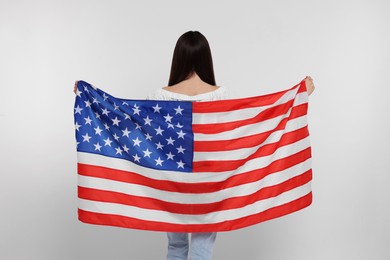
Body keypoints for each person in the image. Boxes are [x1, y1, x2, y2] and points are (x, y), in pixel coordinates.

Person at [74, 30, 315, 260]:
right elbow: (251, 124)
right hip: (211, 182)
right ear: (205, 59)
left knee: (176, 245)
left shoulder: (159, 96)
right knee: (203, 246)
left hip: (171, 182)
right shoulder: (222, 95)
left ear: (178, 59)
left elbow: (131, 126)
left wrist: (89, 99)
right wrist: (298, 96)